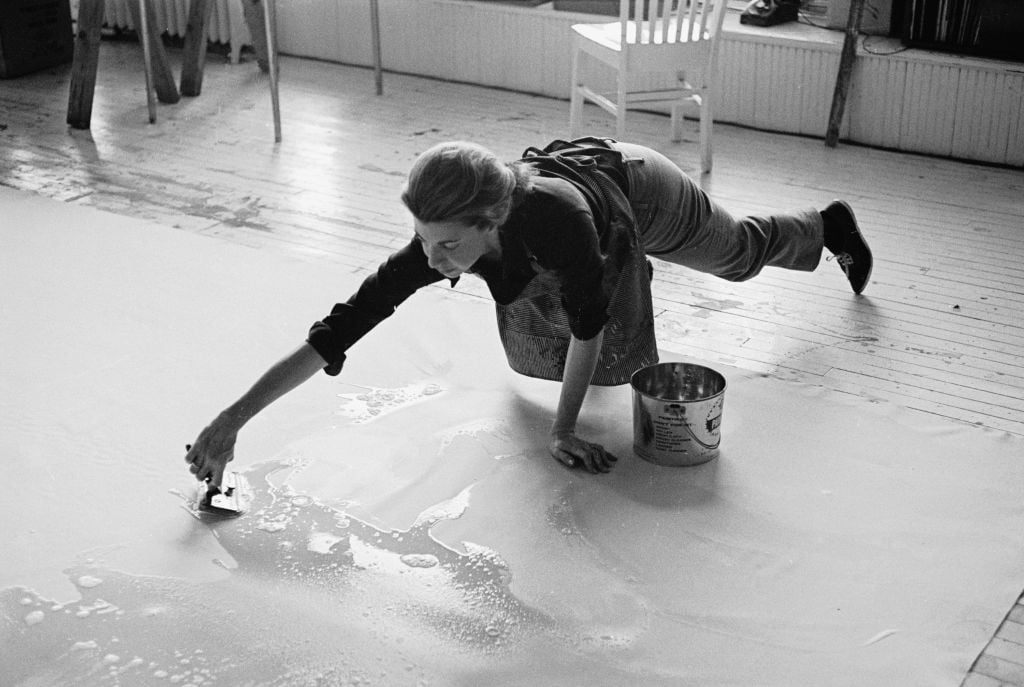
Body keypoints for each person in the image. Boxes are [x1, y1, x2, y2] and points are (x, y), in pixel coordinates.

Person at [185, 137, 872, 481]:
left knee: (738, 258)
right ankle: (616, 265)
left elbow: (588, 324)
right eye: (424, 241)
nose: (432, 259)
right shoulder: (448, 239)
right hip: (580, 223)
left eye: (448, 244)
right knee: (538, 318)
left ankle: (826, 225)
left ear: (492, 218)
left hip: (640, 191)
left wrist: (562, 429)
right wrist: (229, 421)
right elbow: (339, 329)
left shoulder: (555, 220)